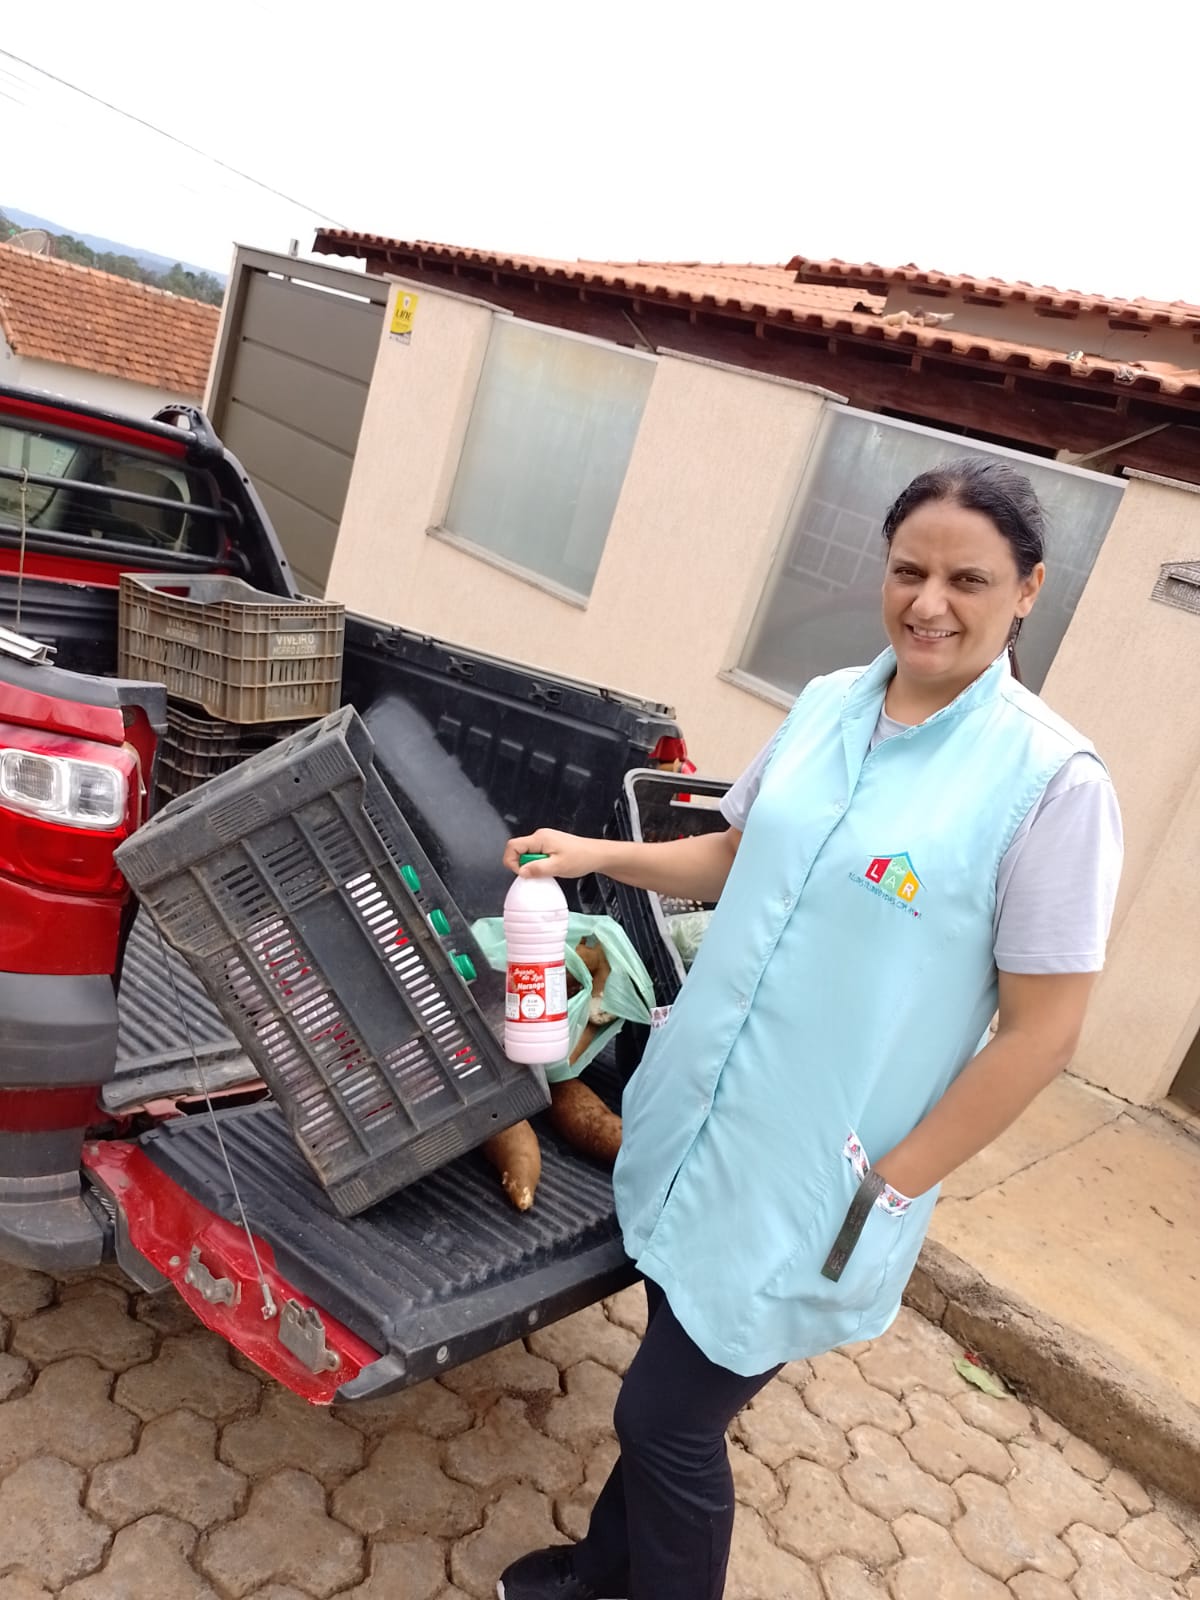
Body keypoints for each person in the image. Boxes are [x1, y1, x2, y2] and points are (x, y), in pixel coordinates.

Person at [496, 457, 1123, 1600]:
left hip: (819, 1179)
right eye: (909, 570)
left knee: (666, 1422)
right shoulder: (833, 701)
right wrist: (596, 855)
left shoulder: (1052, 784)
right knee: (666, 1391)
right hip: (699, 1126)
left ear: (1028, 590)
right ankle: (596, 1577)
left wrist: (890, 1184)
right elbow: (740, 855)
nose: (929, 602)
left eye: (969, 580)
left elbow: (1045, 1032)